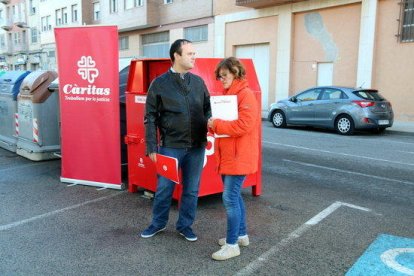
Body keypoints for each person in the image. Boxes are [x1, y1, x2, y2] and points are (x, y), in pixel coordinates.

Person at [141, 39, 211, 242]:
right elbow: (150, 117)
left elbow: (207, 109)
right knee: (164, 188)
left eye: (194, 53)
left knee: (191, 189)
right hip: (170, 146)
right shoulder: (159, 84)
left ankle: (185, 225)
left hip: (197, 147)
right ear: (176, 56)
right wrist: (151, 146)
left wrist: (208, 132)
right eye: (190, 54)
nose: (194, 57)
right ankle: (158, 223)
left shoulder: (198, 82)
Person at [208, 57, 260, 260]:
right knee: (235, 197)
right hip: (231, 156)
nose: (221, 80)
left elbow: (243, 125)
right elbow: (227, 126)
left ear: (236, 73)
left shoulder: (245, 95)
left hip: (238, 157)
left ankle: (232, 245)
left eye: (225, 76)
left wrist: (216, 124)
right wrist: (213, 124)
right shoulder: (230, 94)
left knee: (230, 198)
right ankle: (241, 236)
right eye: (219, 77)